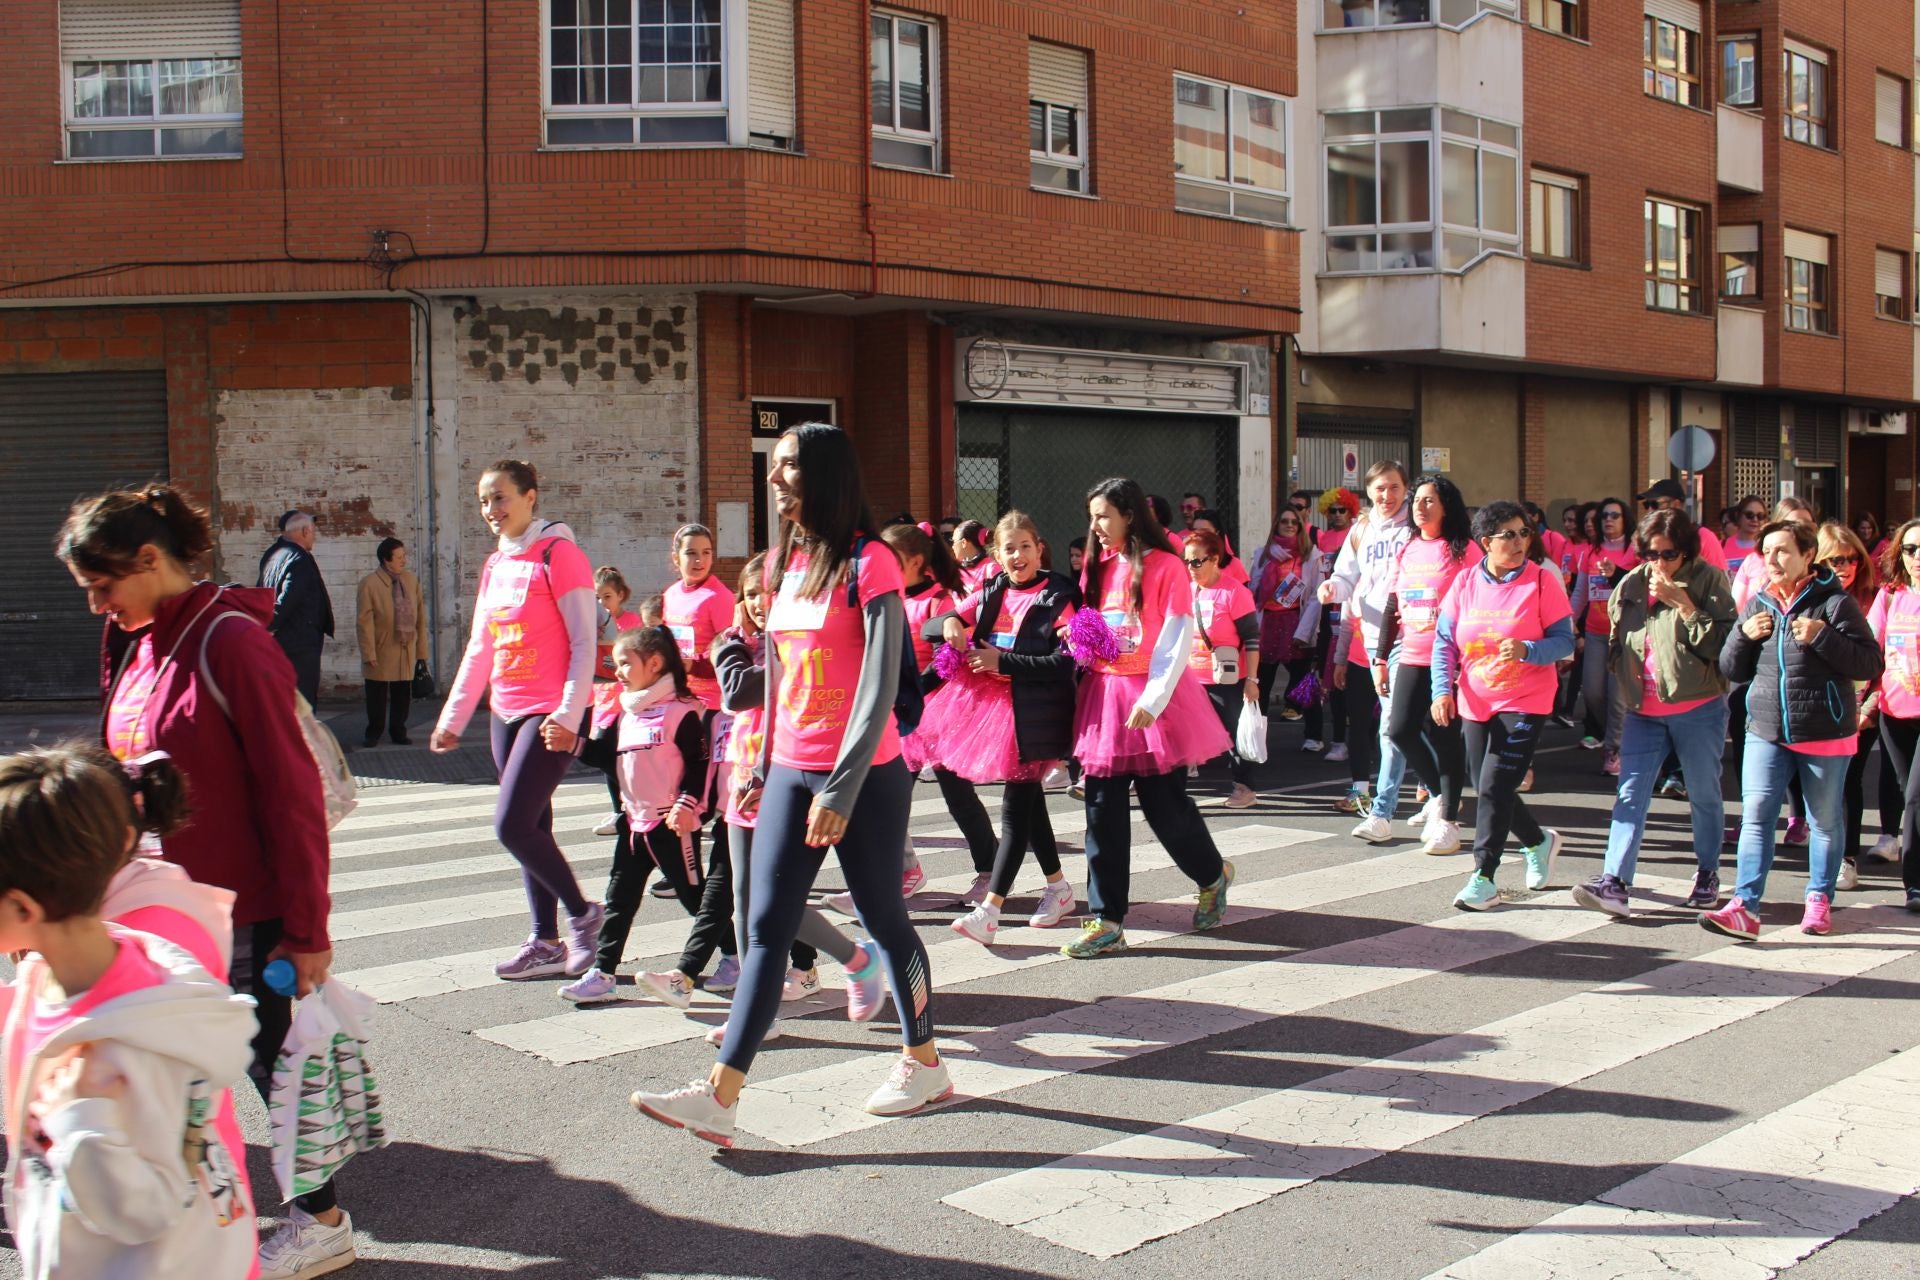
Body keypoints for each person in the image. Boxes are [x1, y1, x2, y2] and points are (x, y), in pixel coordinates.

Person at [61, 485, 354, 1275]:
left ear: (149, 561)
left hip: (242, 911)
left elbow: (291, 795)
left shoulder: (230, 643)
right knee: (178, 1069)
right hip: (165, 910)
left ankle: (323, 1219)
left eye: (102, 585)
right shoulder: (144, 639)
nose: (97, 605)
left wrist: (308, 928)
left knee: (269, 1063)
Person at [630, 423, 945, 1145]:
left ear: (825, 474)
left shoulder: (871, 565)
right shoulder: (778, 567)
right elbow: (776, 679)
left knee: (885, 923)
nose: (775, 479)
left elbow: (877, 680)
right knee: (765, 925)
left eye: (788, 466)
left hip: (863, 774)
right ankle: (721, 1097)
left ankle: (922, 1060)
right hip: (788, 770)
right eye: (774, 468)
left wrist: (841, 787)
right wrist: (763, 766)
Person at [0, 747, 259, 1280]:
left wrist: (78, 1121)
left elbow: (147, 1207)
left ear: (25, 909)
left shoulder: (127, 1040)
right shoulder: (46, 979)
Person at [430, 459, 606, 980]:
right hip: (505, 709)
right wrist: (454, 717)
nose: (491, 510)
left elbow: (583, 642)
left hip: (550, 710)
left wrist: (570, 715)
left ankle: (583, 913)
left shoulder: (561, 555)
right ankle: (544, 939)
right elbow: (481, 647)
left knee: (511, 825)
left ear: (531, 497)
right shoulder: (495, 565)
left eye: (501, 498)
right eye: (484, 501)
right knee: (534, 823)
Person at [706, 553, 876, 1045]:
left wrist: (789, 655)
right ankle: (758, 1011)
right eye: (752, 593)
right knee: (746, 903)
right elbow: (737, 694)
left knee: (776, 900)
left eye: (769, 592)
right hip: (744, 778)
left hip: (789, 777)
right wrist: (781, 659)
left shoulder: (801, 643)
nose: (761, 603)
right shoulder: (732, 644)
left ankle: (854, 958)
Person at [1063, 477, 1236, 959]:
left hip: (1156, 701)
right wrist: (1077, 644)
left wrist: (1155, 698)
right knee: (1101, 812)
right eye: (1093, 516)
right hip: (1105, 697)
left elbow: (1177, 636)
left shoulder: (1165, 567)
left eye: (1103, 516)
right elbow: (1089, 625)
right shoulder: (1096, 565)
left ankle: (1211, 874)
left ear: (1129, 515)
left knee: (1166, 809)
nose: (1095, 527)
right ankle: (1107, 919)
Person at [1704, 519, 1883, 941]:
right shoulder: (1758, 603)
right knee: (1756, 817)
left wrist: (1823, 637)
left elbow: (1869, 663)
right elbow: (1731, 668)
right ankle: (1744, 906)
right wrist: (1744, 638)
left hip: (1825, 729)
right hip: (1767, 729)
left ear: (1807, 556)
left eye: (1783, 551)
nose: (1772, 559)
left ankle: (1819, 899)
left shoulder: (1834, 604)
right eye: (1766, 551)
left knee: (1823, 820)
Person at [1571, 508, 1736, 919]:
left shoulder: (1709, 580)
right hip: (1643, 709)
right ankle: (1615, 880)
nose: (1659, 563)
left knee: (1703, 794)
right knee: (1630, 793)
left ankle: (1707, 873)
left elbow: (1723, 647)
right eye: (1650, 554)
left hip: (1698, 708)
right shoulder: (1631, 583)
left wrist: (1683, 604)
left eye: (1669, 554)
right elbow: (1616, 633)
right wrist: (1620, 673)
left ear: (1687, 550)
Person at [561, 626, 734, 1006]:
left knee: (696, 900)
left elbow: (699, 764)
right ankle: (602, 972)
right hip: (633, 824)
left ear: (654, 664)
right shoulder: (627, 711)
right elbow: (608, 760)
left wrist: (688, 805)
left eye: (626, 663)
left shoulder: (683, 711)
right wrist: (572, 743)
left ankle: (734, 958)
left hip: (670, 825)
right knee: (619, 898)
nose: (618, 670)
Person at [939, 511, 1082, 944]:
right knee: (1029, 805)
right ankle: (1058, 889)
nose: (1017, 555)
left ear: (1039, 548)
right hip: (994, 712)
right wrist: (950, 624)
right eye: (1008, 548)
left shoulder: (1061, 594)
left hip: (1036, 713)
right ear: (996, 555)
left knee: (1014, 810)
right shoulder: (992, 588)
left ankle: (991, 909)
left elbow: (1065, 664)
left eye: (1024, 546)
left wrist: (1004, 662)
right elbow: (947, 617)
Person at [1429, 501, 1576, 910]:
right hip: (1476, 699)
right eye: (1508, 534)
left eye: (1524, 533)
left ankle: (1484, 876)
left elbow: (1564, 642)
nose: (1519, 541)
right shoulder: (1463, 584)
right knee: (1490, 785)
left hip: (1526, 699)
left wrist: (1529, 649)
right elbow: (1444, 643)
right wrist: (1442, 690)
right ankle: (1538, 840)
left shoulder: (1542, 582)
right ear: (1485, 543)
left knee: (1495, 785)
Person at [875, 521, 998, 903]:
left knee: (958, 797)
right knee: (887, 798)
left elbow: (947, 659)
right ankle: (903, 871)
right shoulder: (888, 598)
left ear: (914, 561)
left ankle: (991, 871)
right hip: (901, 715)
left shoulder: (940, 600)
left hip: (939, 712)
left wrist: (911, 694)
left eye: (891, 560)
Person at [1361, 475, 1480, 854]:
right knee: (1399, 730)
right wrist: (1380, 658)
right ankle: (1443, 796)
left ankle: (1447, 821)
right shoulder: (1408, 548)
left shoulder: (1464, 551)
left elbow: (1478, 604)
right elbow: (1393, 606)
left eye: (1429, 500)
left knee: (1446, 738)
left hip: (1451, 657)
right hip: (1411, 653)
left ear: (1447, 507)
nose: (1420, 507)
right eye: (1417, 500)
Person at [1320, 462, 1415, 817]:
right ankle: (1363, 789)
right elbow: (1346, 579)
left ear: (1405, 489)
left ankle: (1399, 800)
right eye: (1380, 488)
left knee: (1395, 725)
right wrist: (1332, 587)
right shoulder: (1361, 529)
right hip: (1366, 641)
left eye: (1393, 488)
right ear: (1369, 491)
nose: (1386, 495)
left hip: (1406, 638)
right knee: (1361, 719)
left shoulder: (1415, 528)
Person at [1816, 523, 1882, 894]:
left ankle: (1848, 858)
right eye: (1834, 559)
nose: (1844, 566)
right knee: (1823, 786)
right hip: (1818, 708)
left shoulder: (1874, 599)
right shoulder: (1811, 597)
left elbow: (1883, 659)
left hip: (1861, 709)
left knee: (1848, 784)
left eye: (1851, 559)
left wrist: (1868, 710)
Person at [1184, 529, 1262, 809]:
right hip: (1192, 677)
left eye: (1196, 561)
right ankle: (1176, 793)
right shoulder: (1188, 590)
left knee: (1232, 734)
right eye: (1187, 562)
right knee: (1185, 733)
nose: (1190, 568)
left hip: (1228, 678)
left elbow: (1252, 639)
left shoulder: (1234, 592)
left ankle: (1245, 786)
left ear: (1214, 559)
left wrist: (1252, 680)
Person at [1868, 518, 1920, 912]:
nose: (1917, 557)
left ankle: (1914, 884)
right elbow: (1869, 650)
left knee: (1917, 797)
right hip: (1894, 711)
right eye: (1910, 549)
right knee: (1906, 792)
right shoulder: (1890, 596)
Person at [1246, 505, 1323, 743]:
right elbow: (1253, 591)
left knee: (1303, 684)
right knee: (1261, 683)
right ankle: (1256, 738)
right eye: (1284, 521)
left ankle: (1314, 735)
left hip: (1295, 623)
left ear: (1300, 527)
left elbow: (1315, 597)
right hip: (1267, 624)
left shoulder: (1312, 556)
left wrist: (1305, 631)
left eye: (1294, 522)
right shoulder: (1262, 555)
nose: (1289, 525)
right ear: (1276, 526)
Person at [1571, 496, 1636, 772]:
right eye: (1605, 516)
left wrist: (1617, 573)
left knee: (1618, 697)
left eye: (1614, 515)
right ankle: (1615, 733)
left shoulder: (1635, 551)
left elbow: (1640, 591)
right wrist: (1568, 623)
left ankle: (1614, 749)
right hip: (1596, 632)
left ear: (1625, 520)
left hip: (1624, 635)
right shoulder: (1590, 552)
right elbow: (1580, 593)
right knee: (1594, 694)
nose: (1608, 520)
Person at [354, 536, 427, 748]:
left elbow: (420, 618)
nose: (403, 561)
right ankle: (373, 732)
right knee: (376, 694)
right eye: (399, 557)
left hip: (406, 647)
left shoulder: (411, 580)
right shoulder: (369, 584)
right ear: (386, 559)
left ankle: (398, 731)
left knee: (402, 694)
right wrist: (369, 654)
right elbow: (364, 622)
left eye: (404, 556)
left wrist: (421, 653)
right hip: (381, 647)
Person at [257, 509, 335, 706]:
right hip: (299, 641)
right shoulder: (299, 559)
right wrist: (268, 626)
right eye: (313, 532)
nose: (314, 537)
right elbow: (287, 600)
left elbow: (261, 593)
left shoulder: (272, 554)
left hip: (282, 640)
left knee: (283, 697)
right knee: (302, 700)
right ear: (304, 531)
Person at [589, 567, 642, 837]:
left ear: (620, 596)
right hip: (601, 699)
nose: (601, 604)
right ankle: (621, 809)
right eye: (596, 598)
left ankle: (628, 808)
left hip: (624, 702)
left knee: (611, 754)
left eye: (606, 597)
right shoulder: (593, 624)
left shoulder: (632, 622)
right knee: (605, 757)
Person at [1310, 488, 1360, 758]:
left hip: (1362, 632)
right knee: (1336, 691)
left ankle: (1365, 740)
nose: (1338, 515)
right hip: (1334, 629)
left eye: (1343, 510)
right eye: (1333, 510)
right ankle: (1339, 740)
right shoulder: (1321, 541)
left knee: (1364, 694)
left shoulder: (1358, 535)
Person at [1637, 479, 1728, 570]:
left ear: (1676, 504)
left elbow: (1719, 579)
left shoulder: (1703, 536)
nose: (1650, 510)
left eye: (1654, 504)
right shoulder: (1645, 537)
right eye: (1646, 504)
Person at [1189, 509, 1250, 587]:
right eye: (1195, 531)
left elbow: (1244, 595)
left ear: (1217, 532)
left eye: (1204, 531)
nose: (1198, 535)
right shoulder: (1187, 564)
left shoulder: (1233, 564)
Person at [951, 519, 1001, 595]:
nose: (952, 546)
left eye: (954, 542)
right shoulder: (959, 571)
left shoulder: (991, 569)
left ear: (964, 542)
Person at [1724, 495, 1767, 580]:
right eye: (1749, 515)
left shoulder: (1768, 547)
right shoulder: (1721, 545)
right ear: (1738, 516)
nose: (1755, 519)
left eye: (1760, 516)